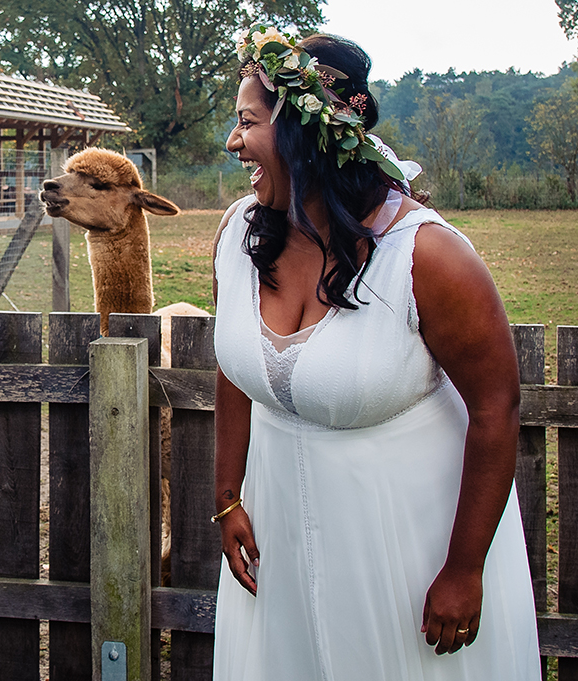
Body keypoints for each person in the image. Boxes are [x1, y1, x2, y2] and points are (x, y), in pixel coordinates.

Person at [211, 25, 540, 680]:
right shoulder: (237, 236)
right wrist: (227, 493)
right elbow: (234, 365)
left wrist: (462, 568)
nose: (232, 141)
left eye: (247, 122)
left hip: (404, 549)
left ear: (304, 131)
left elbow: (496, 408)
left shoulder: (427, 257)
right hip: (281, 540)